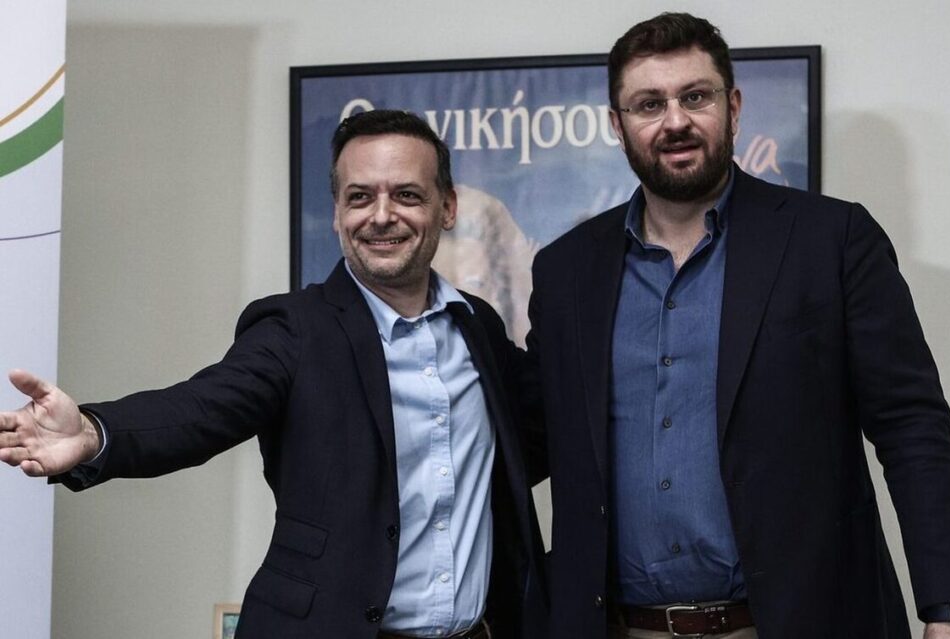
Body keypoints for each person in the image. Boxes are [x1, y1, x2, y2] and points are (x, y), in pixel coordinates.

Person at [524, 12, 950, 639]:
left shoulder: (832, 240)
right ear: (618, 124)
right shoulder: (566, 271)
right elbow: (530, 437)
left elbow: (912, 427)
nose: (675, 121)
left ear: (733, 107)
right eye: (649, 104)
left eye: (695, 97)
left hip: (800, 623)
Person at [0, 110, 545, 639]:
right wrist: (94, 433)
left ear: (447, 207)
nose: (381, 216)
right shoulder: (294, 329)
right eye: (360, 197)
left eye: (406, 195)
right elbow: (201, 409)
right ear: (337, 212)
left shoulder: (478, 325)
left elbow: (543, 429)